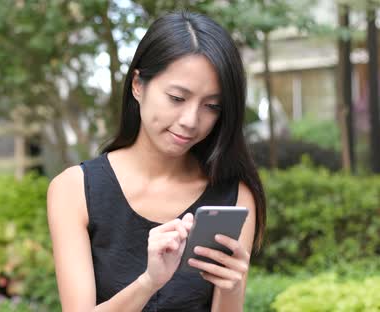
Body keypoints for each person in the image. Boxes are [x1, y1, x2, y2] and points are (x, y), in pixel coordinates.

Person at [47, 11, 266, 312]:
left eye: (212, 106)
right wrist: (150, 281)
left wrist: (234, 283)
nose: (191, 121)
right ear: (138, 85)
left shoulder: (234, 196)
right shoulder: (74, 190)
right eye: (177, 98)